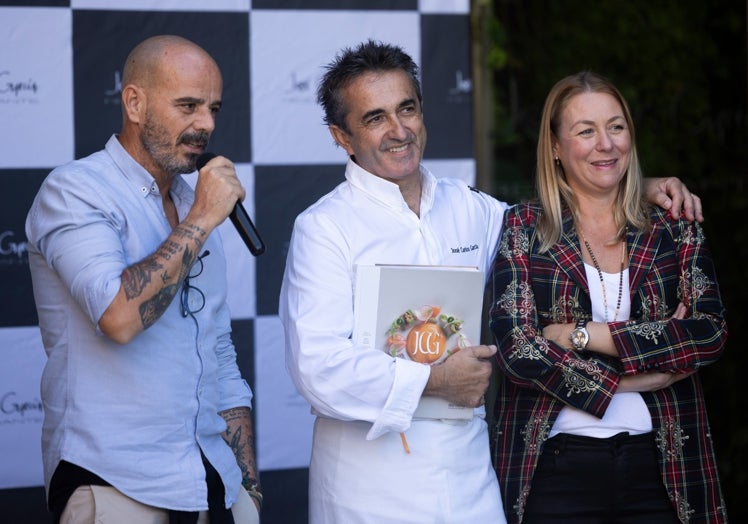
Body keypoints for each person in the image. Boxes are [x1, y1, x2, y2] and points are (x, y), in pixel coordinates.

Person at [278, 40, 703, 523]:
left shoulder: (471, 207)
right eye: (375, 118)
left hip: (469, 479)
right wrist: (435, 381)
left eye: (407, 109)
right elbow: (316, 368)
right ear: (342, 136)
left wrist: (630, 187)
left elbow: (563, 221)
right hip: (368, 488)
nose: (399, 131)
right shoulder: (324, 227)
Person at [26, 35, 261, 523]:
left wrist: (248, 488)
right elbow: (119, 317)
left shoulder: (197, 200)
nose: (207, 124)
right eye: (188, 106)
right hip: (114, 482)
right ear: (135, 102)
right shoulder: (74, 190)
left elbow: (217, 348)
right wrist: (200, 219)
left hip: (211, 482)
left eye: (214, 108)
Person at [488, 70, 727, 523]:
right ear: (556, 147)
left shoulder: (673, 226)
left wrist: (581, 335)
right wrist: (632, 378)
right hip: (555, 467)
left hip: (665, 467)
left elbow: (708, 332)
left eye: (616, 127)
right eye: (586, 131)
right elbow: (517, 349)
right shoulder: (524, 228)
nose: (606, 144)